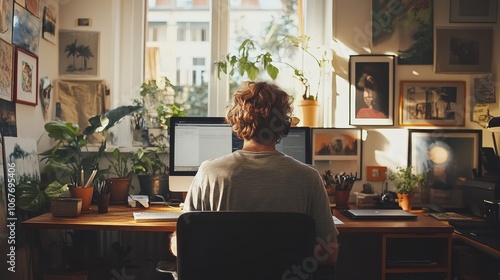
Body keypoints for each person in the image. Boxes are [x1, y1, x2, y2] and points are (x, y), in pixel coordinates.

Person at [170, 81, 339, 275]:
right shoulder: (309, 177)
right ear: (283, 124)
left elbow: (184, 246)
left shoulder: (209, 172)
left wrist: (175, 239)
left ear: (236, 121)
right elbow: (330, 253)